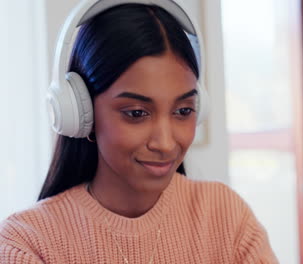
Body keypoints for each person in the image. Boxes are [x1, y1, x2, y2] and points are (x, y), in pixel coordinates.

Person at [0, 1, 278, 263]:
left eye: (183, 111)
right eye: (136, 113)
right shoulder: (26, 242)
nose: (166, 143)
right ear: (81, 112)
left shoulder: (225, 216)